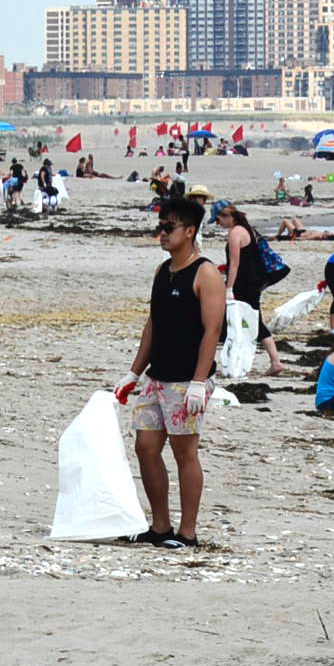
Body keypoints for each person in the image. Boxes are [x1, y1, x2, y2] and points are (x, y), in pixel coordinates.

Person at [116, 197, 225, 551]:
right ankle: (159, 526)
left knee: (184, 452)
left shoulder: (206, 273)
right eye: (159, 227)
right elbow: (153, 323)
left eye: (169, 228)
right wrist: (134, 372)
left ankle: (187, 532)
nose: (161, 234)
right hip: (157, 375)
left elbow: (212, 331)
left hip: (186, 379)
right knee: (145, 446)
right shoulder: (163, 272)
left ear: (190, 231)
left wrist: (198, 381)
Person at [221, 203, 287, 377]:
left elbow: (235, 264)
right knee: (252, 320)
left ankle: (275, 362)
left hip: (244, 284)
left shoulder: (235, 232)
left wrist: (229, 288)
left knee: (252, 321)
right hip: (253, 282)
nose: (218, 223)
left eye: (219, 219)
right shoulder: (247, 229)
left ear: (228, 216)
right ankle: (272, 361)